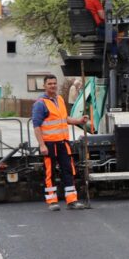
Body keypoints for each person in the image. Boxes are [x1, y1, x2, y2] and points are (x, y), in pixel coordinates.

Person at [32, 75, 89, 210]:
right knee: (50, 172)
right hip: (49, 144)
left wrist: (79, 121)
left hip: (63, 143)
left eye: (54, 83)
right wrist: (42, 145)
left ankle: (72, 200)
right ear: (44, 86)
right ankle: (52, 201)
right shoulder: (40, 103)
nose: (53, 85)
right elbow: (36, 126)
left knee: (68, 170)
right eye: (49, 83)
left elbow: (65, 119)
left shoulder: (60, 99)